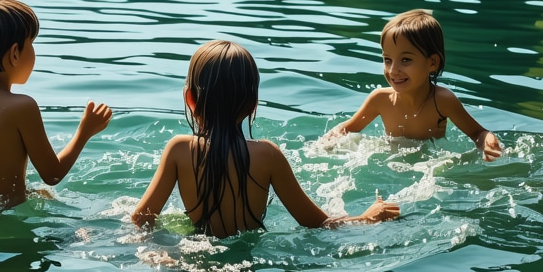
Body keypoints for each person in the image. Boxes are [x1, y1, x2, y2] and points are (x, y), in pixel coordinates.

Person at [131, 40, 399, 237]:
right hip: (249, 262)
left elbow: (139, 220)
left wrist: (159, 250)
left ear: (190, 99)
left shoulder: (179, 150)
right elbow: (317, 223)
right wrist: (366, 218)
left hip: (195, 252)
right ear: (252, 105)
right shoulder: (268, 155)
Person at [0, 0, 112, 203]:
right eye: (31, 43)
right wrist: (84, 131)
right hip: (8, 217)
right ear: (15, 54)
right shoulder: (22, 107)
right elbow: (52, 175)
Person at [330, 9, 502, 160]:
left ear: (432, 63)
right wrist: (329, 142)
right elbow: (347, 129)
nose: (393, 70)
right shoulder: (380, 99)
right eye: (387, 60)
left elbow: (477, 133)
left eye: (405, 60)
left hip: (433, 164)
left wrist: (489, 143)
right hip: (389, 160)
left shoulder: (442, 101)